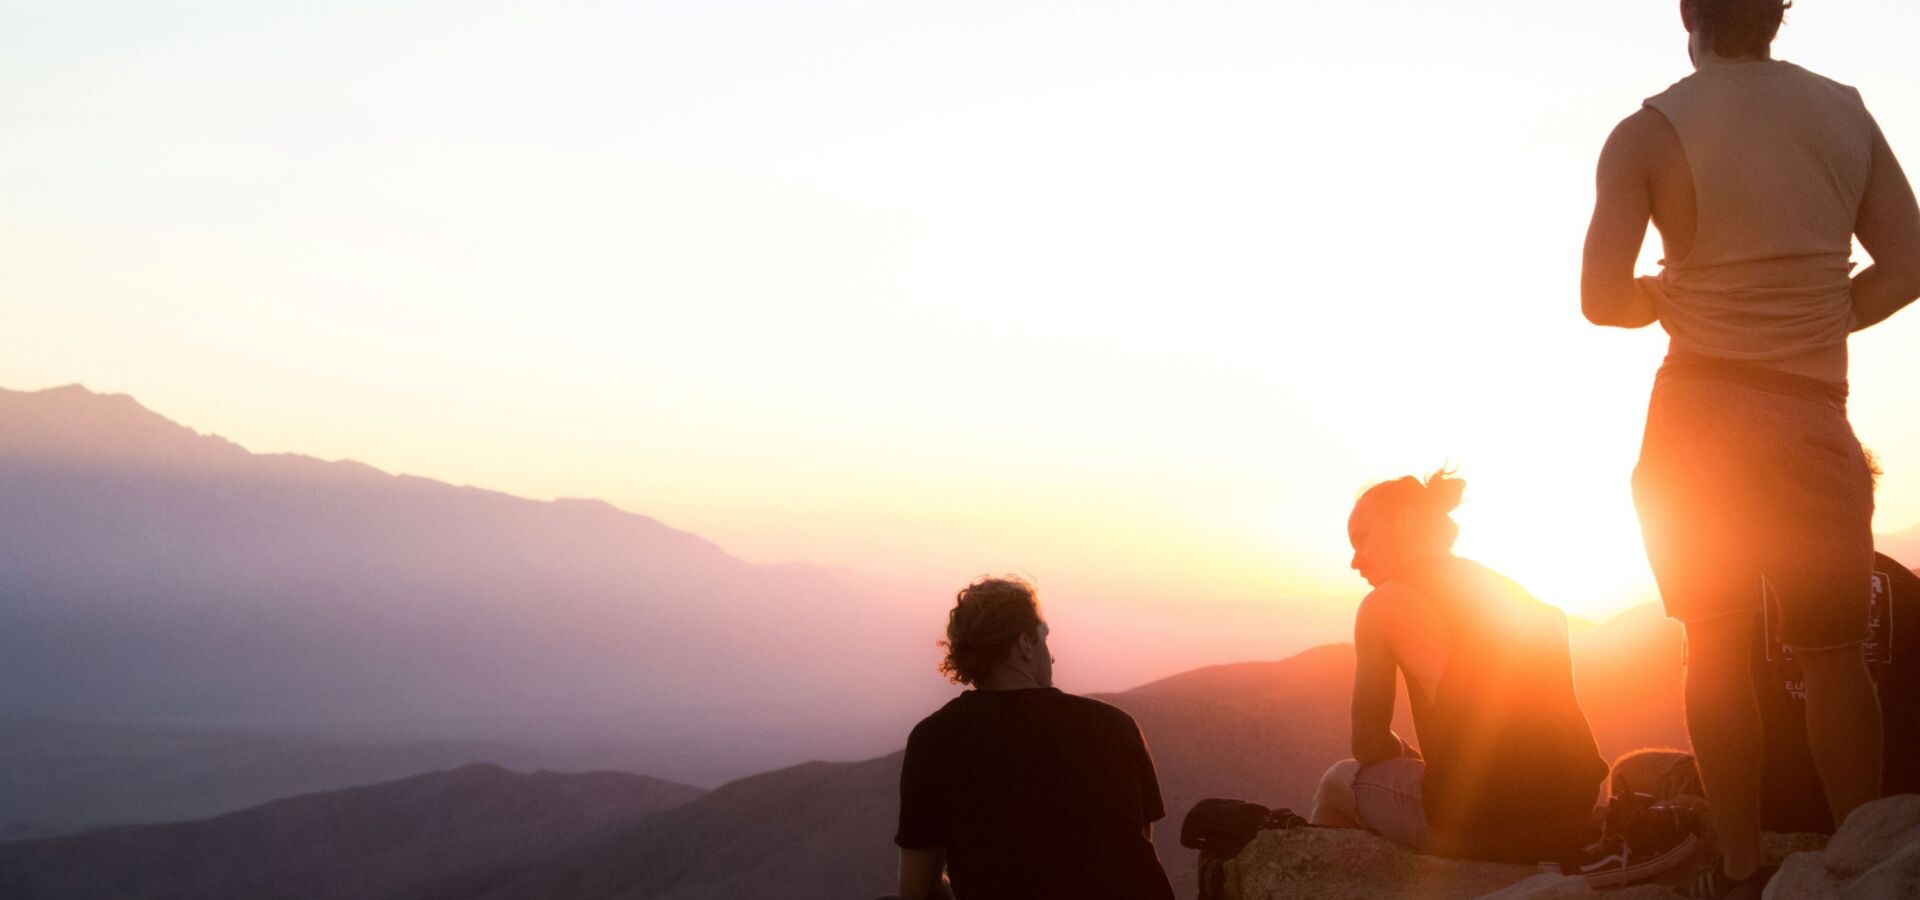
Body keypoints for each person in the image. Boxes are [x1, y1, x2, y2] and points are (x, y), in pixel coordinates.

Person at [1581, 1, 1920, 894]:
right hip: (1810, 412)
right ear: (1780, 13)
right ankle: (1864, 859)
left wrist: (1671, 297)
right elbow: (1912, 261)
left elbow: (1600, 297)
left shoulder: (1647, 132)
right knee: (1835, 656)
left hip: (1697, 417)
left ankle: (1737, 865)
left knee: (1718, 649)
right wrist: (1831, 310)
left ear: (1688, 13)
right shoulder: (1845, 111)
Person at [1309, 471, 1607, 864]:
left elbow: (1367, 747)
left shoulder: (1384, 603)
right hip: (1579, 815)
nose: (1355, 560)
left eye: (1362, 538)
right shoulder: (1517, 595)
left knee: (1336, 782)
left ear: (1405, 522)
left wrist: (1405, 753)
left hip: (1484, 827)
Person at [894, 576, 1175, 900]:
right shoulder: (1115, 727)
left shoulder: (935, 740)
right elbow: (1137, 855)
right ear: (1025, 644)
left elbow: (916, 891)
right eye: (1045, 639)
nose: (1051, 657)